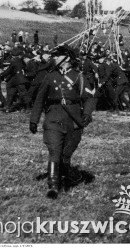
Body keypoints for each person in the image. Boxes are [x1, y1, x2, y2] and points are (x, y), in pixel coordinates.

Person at [29, 45, 96, 198]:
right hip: (53, 117)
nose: (54, 58)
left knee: (65, 155)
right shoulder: (50, 76)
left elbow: (89, 98)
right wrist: (34, 120)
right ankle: (53, 186)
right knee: (54, 151)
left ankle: (66, 174)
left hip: (73, 120)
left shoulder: (79, 76)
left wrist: (86, 113)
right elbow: (39, 100)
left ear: (66, 58)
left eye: (58, 56)